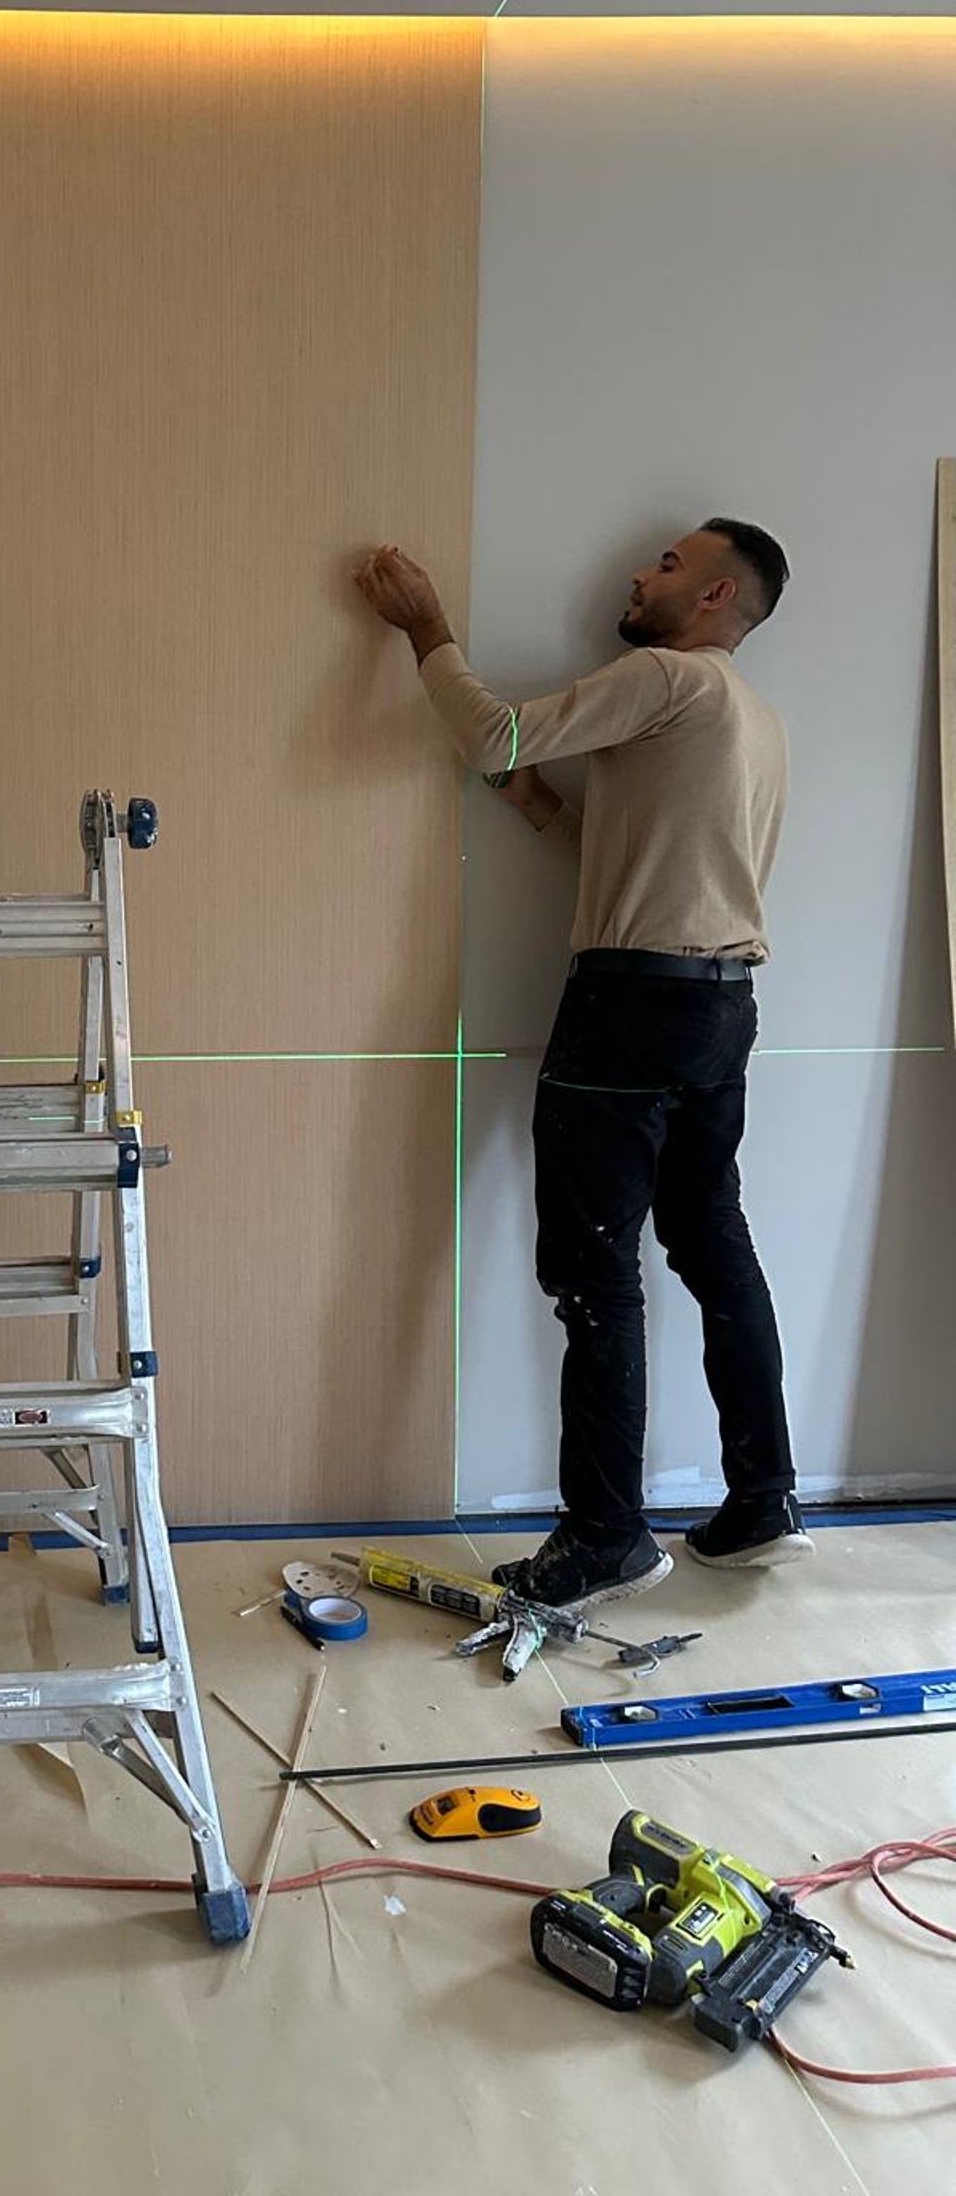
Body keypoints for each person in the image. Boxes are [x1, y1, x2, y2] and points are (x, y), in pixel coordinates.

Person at [355, 521, 807, 1611]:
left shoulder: (663, 676)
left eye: (665, 564)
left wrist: (426, 630)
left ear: (712, 597)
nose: (639, 573)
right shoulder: (755, 719)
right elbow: (632, 850)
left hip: (630, 1009)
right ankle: (764, 1499)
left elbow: (500, 731)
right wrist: (539, 807)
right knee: (711, 1241)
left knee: (597, 1278)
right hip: (719, 1009)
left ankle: (608, 1535)